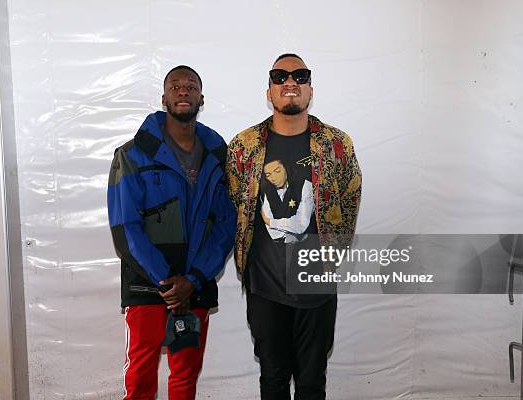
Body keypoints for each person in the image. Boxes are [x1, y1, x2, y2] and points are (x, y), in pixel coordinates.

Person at [226, 53, 362, 399]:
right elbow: (234, 205)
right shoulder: (244, 146)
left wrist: (329, 256)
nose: (290, 83)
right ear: (269, 91)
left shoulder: (336, 144)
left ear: (310, 90)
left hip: (315, 289)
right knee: (272, 380)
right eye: (280, 76)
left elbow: (350, 200)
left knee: (312, 382)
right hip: (265, 288)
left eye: (300, 76)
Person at [107, 65, 236, 400]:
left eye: (190, 86)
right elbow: (126, 229)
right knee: (142, 374)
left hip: (194, 284)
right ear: (163, 97)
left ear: (201, 98)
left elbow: (225, 225)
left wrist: (193, 279)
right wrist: (167, 282)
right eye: (175, 86)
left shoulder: (218, 157)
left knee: (184, 376)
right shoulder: (132, 154)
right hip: (148, 284)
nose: (183, 91)